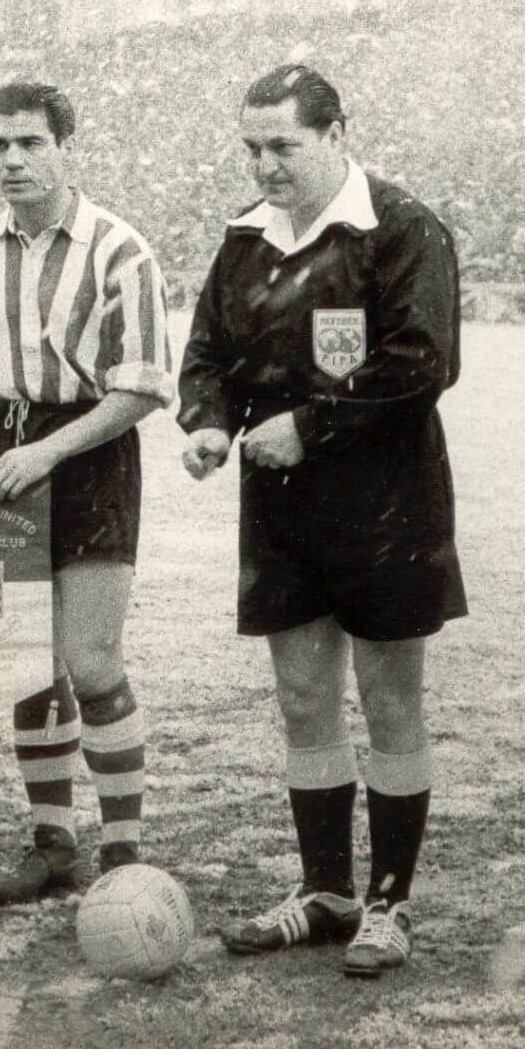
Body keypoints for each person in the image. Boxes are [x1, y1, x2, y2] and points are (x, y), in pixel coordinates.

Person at [178, 62, 464, 979]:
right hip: (281, 508)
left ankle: (389, 902)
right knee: (304, 700)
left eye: (283, 146)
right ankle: (325, 890)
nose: (263, 166)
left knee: (389, 702)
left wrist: (310, 424)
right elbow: (205, 356)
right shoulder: (244, 240)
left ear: (338, 134)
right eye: (252, 147)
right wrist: (212, 423)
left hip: (388, 501)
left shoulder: (402, 228)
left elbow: (424, 361)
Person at [0, 82, 173, 904]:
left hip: (89, 452)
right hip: (3, 456)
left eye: (31, 143)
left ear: (67, 147)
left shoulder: (119, 250)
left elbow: (139, 388)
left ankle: (123, 854)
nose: (13, 160)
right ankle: (53, 844)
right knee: (26, 661)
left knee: (91, 659)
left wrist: (45, 451)